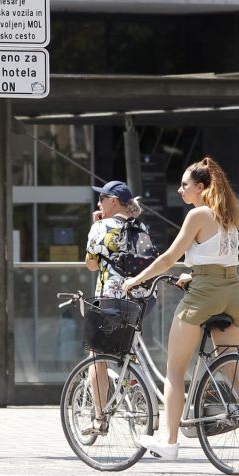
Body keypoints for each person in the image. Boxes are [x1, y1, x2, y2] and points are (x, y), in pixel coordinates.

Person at [123, 156, 239, 474]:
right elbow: (221, 259)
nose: (180, 190)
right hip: (232, 293)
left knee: (175, 370)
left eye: (184, 184)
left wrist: (136, 280)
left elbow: (168, 258)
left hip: (205, 295)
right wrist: (193, 274)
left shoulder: (198, 215)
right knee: (233, 369)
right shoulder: (229, 214)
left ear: (201, 187)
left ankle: (169, 440)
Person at [81, 179, 146, 436]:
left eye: (102, 198)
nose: (99, 203)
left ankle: (99, 417)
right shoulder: (139, 226)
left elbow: (91, 264)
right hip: (139, 299)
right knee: (128, 349)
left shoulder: (101, 226)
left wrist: (96, 224)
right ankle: (139, 393)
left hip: (108, 299)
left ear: (113, 201)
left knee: (96, 358)